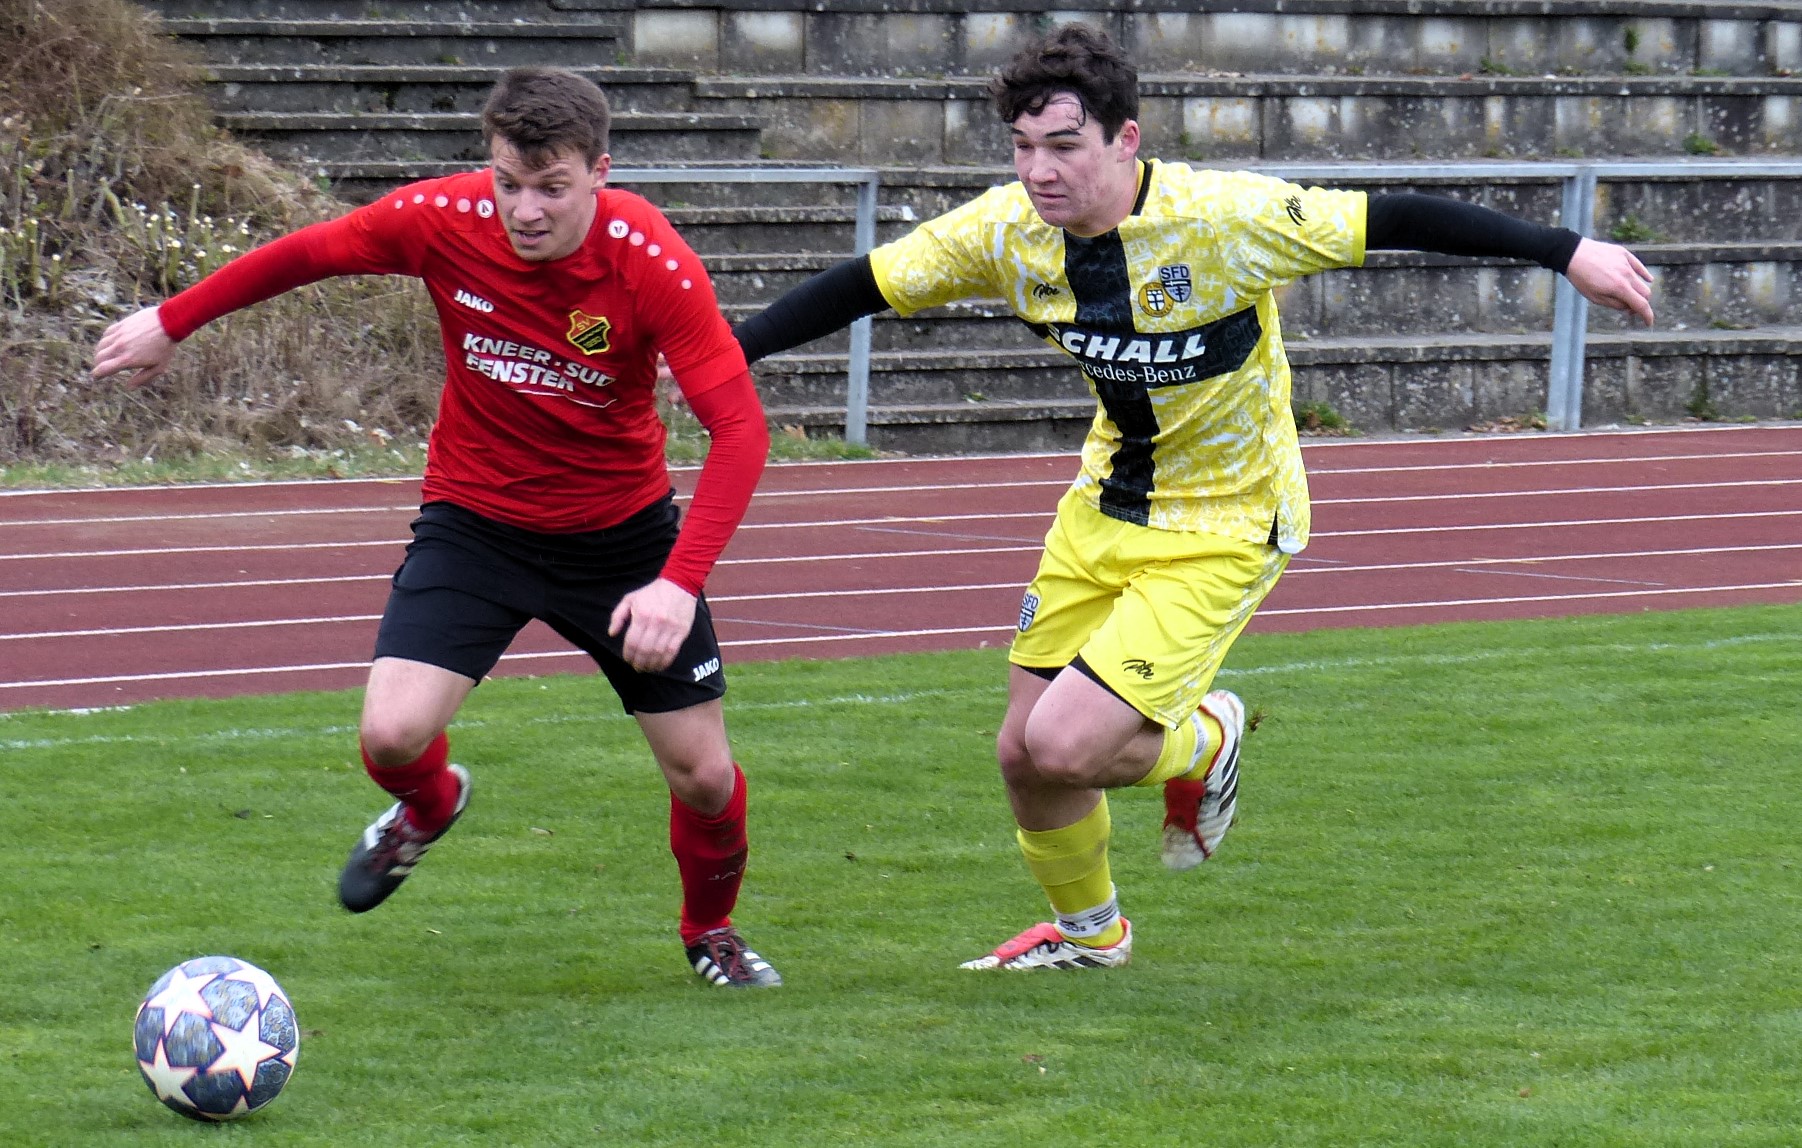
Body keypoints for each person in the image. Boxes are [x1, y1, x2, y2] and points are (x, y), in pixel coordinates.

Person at [733, 23, 1656, 971]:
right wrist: (729, 354)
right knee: (1021, 753)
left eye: (1064, 146)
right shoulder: (1004, 229)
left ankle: (1208, 735)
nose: (1039, 171)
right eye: (1022, 146)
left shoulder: (1224, 218)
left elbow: (1392, 216)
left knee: (1067, 746)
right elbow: (865, 283)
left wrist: (1564, 250)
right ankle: (1093, 938)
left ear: (1125, 140)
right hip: (1102, 507)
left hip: (1225, 522)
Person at [91, 67, 784, 988]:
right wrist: (173, 319)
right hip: (477, 526)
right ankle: (428, 806)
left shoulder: (649, 259)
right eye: (508, 181)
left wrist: (676, 583)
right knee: (391, 737)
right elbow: (311, 253)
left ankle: (711, 930)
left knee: (703, 775)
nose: (524, 210)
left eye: (551, 187)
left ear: (599, 172)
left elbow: (741, 432)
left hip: (621, 543)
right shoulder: (442, 217)